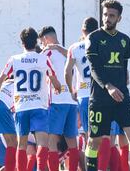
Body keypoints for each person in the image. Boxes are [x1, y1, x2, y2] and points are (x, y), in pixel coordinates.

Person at [84, 0, 130, 171]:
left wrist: (123, 79)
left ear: (119, 18)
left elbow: (124, 66)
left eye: (111, 15)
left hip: (121, 97)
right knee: (94, 141)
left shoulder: (125, 40)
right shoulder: (93, 38)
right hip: (100, 98)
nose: (107, 19)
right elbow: (94, 68)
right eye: (105, 14)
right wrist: (108, 86)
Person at [0, 27, 61, 171]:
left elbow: (0, 81)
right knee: (43, 143)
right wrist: (57, 88)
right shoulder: (44, 58)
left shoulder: (14, 59)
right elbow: (55, 81)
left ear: (22, 43)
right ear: (36, 41)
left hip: (22, 107)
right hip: (39, 107)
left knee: (22, 145)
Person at [38, 26, 80, 171]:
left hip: (57, 101)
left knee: (51, 140)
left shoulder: (47, 52)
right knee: (72, 140)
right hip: (72, 101)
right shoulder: (69, 51)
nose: (42, 46)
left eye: (42, 43)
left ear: (45, 39)